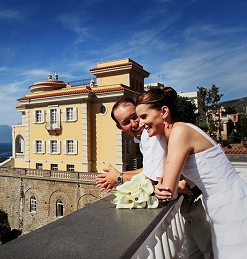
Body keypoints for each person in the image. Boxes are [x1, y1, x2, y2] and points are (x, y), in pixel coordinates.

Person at [136, 87, 247, 259]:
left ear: (164, 111)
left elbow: (168, 191)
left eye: (144, 117)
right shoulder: (175, 133)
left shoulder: (180, 132)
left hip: (231, 206)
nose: (140, 124)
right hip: (221, 203)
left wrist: (162, 188)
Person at [96, 97, 213, 259]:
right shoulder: (147, 135)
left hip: (198, 199)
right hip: (192, 199)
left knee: (209, 251)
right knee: (197, 252)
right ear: (120, 127)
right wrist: (119, 176)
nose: (134, 123)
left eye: (135, 117)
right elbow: (151, 170)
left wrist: (120, 177)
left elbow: (153, 178)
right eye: (126, 122)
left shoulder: (150, 135)